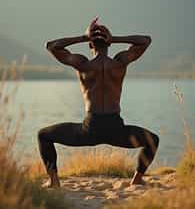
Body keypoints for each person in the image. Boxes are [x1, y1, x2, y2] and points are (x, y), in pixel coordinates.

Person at [38, 17, 159, 187]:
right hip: (116, 128)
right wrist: (115, 38)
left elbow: (51, 46)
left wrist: (83, 36)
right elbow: (146, 40)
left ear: (90, 45)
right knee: (152, 140)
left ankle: (54, 181)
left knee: (43, 135)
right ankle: (137, 179)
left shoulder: (83, 65)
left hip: (90, 128)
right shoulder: (120, 63)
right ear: (108, 44)